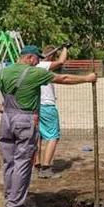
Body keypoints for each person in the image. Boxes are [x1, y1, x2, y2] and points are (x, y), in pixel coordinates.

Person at [0, 45, 96, 207]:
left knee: (9, 162)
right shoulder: (34, 73)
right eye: (37, 58)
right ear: (29, 58)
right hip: (25, 119)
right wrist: (87, 78)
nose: (39, 61)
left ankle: (11, 198)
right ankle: (15, 206)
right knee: (23, 161)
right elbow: (63, 78)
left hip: (6, 119)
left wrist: (1, 108)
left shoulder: (4, 72)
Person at [35, 44, 69, 179]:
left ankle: (36, 166)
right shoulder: (43, 66)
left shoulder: (32, 68)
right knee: (53, 137)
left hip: (36, 106)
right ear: (50, 57)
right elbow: (61, 61)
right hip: (47, 107)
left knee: (37, 137)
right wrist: (66, 48)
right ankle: (46, 167)